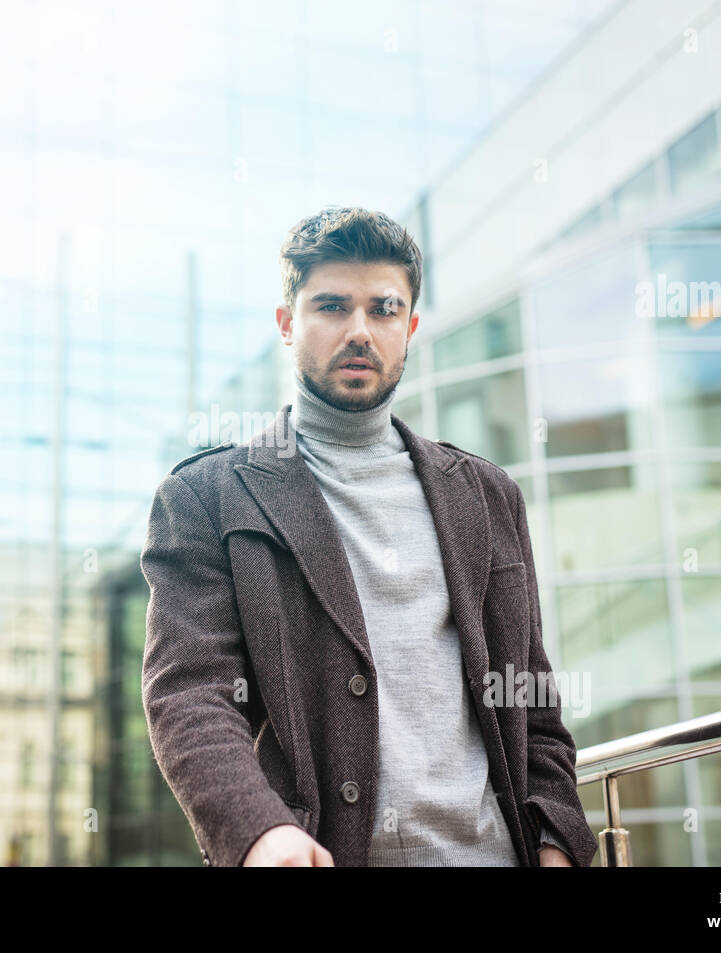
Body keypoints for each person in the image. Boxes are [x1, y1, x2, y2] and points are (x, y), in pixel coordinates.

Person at [140, 206, 597, 867]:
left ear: (409, 328)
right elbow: (190, 694)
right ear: (287, 324)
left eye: (383, 310)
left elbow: (528, 694)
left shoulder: (488, 496)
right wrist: (258, 830)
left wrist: (556, 838)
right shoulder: (206, 497)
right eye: (331, 306)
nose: (360, 331)